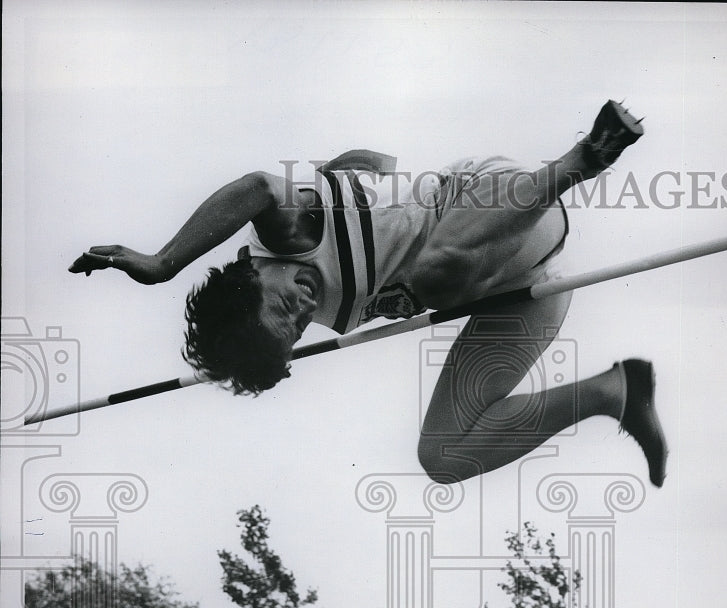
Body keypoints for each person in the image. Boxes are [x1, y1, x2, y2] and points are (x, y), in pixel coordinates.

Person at [70, 101, 667, 490]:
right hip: (526, 287)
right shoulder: (317, 297)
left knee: (429, 276)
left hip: (498, 200)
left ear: (250, 274)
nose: (304, 310)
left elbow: (256, 186)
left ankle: (582, 159)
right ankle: (616, 392)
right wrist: (361, 172)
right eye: (297, 328)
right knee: (444, 456)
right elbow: (374, 163)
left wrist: (163, 263)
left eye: (282, 306)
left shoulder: (290, 232)